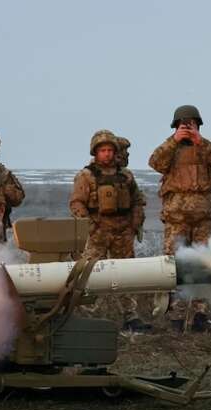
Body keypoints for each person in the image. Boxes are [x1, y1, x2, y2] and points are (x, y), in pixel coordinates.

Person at [148, 105, 211, 332]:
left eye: (192, 124)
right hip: (176, 219)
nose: (188, 127)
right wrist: (174, 140)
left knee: (204, 266)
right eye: (184, 124)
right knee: (174, 268)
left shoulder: (206, 148)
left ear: (198, 125)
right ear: (176, 126)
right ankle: (175, 317)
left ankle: (199, 316)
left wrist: (199, 141)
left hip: (204, 219)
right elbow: (155, 162)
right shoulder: (169, 149)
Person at [69, 129, 147, 334]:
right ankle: (85, 314)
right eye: (102, 150)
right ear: (95, 152)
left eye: (110, 150)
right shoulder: (86, 176)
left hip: (123, 233)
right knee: (88, 274)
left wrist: (134, 224)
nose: (107, 154)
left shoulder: (126, 176)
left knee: (125, 275)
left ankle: (131, 316)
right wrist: (90, 225)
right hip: (98, 233)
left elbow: (138, 201)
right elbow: (77, 203)